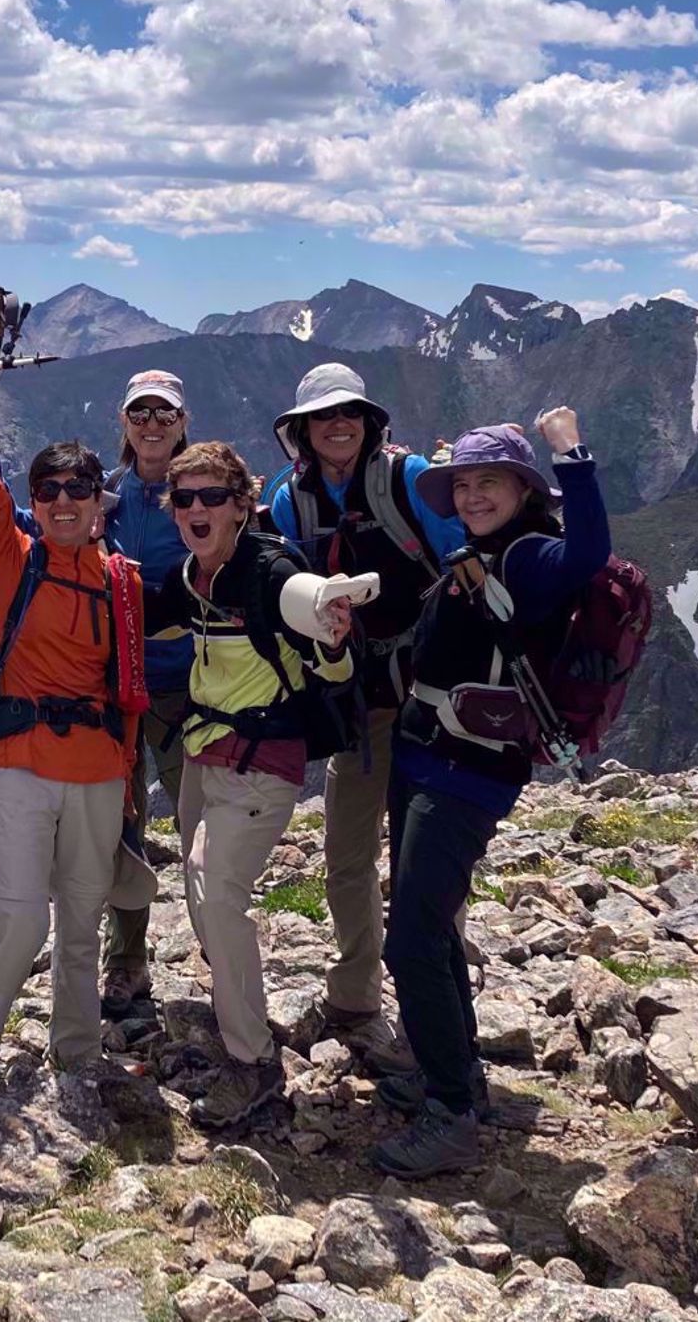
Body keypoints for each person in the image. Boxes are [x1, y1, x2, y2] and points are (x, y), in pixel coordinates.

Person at [374, 408, 609, 1179]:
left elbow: (590, 555)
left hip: (463, 772)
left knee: (410, 938)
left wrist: (572, 454)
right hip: (424, 757)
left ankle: (450, 1112)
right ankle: (458, 1076)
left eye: (490, 483)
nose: (473, 496)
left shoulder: (533, 556)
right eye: (464, 483)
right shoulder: (482, 550)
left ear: (522, 488)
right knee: (431, 927)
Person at [0, 329, 142, 1087]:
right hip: (20, 763)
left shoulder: (124, 581)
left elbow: (131, 687)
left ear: (99, 500)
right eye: (49, 491)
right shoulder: (17, 559)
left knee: (83, 924)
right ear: (36, 503)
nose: (64, 502)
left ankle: (77, 1052)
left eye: (79, 489)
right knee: (16, 920)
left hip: (100, 771)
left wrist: (131, 785)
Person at [145, 441, 354, 1126]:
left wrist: (328, 625)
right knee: (202, 893)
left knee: (214, 887)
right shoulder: (193, 574)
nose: (197, 510)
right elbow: (149, 614)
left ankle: (253, 1060)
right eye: (185, 499)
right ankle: (237, 1009)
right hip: (206, 757)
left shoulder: (269, 571)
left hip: (262, 761)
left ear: (242, 506)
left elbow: (318, 633)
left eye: (212, 497)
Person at [264, 364, 464, 1072]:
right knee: (348, 858)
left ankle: (434, 1001)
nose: (337, 425)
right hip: (360, 701)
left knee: (425, 860)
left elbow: (460, 561)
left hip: (430, 696)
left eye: (347, 413)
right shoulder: (288, 502)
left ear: (367, 420)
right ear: (305, 431)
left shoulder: (409, 480)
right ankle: (356, 999)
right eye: (324, 417)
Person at [100, 369, 195, 1019]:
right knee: (122, 826)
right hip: (114, 689)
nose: (153, 423)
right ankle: (126, 963)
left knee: (203, 825)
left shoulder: (200, 493)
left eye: (165, 413)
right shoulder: (104, 497)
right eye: (142, 412)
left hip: (190, 685)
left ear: (183, 422)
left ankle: (220, 952)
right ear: (126, 421)